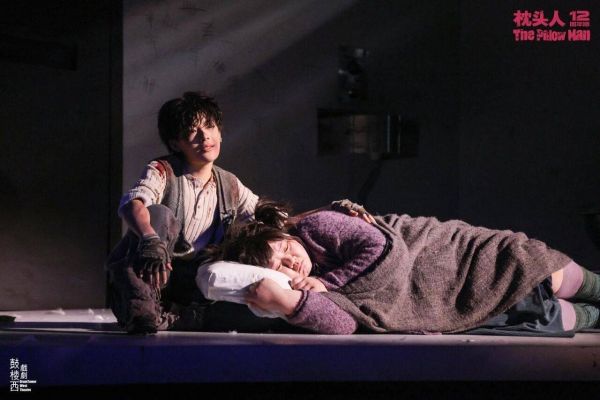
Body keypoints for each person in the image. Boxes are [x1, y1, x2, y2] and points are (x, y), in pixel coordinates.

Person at [105, 91, 372, 334]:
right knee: (159, 215)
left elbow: (277, 220)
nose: (204, 137)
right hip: (150, 272)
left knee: (257, 294)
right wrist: (150, 239)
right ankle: (140, 311)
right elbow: (132, 204)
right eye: (192, 131)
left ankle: (185, 317)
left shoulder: (229, 184)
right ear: (175, 143)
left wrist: (333, 207)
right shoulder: (163, 171)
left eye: (209, 127)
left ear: (220, 133)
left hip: (190, 283)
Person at [214, 200, 600, 335]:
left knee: (550, 275)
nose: (291, 261)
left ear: (286, 234)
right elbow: (345, 324)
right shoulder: (304, 288)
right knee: (562, 320)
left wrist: (326, 283)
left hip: (457, 256)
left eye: (284, 248)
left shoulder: (316, 227)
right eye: (280, 266)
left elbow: (384, 250)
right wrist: (290, 302)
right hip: (451, 303)